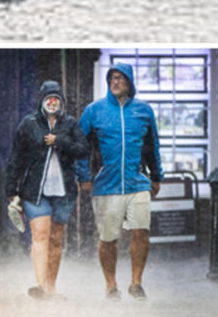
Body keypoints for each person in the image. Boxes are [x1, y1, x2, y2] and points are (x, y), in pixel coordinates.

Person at [77, 64, 163, 301]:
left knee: (141, 231)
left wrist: (156, 176)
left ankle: (136, 283)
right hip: (106, 183)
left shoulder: (144, 111)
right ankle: (111, 285)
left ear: (130, 82)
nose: (115, 82)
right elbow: (80, 147)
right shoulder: (94, 111)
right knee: (108, 238)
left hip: (137, 182)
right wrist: (84, 176)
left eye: (120, 78)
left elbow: (152, 145)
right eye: (112, 78)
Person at [4, 81, 89, 299]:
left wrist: (59, 141)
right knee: (40, 234)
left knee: (55, 239)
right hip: (35, 191)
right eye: (49, 98)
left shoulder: (70, 124)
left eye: (56, 98)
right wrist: (11, 189)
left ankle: (52, 287)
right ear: (41, 100)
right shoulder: (28, 124)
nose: (53, 102)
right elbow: (16, 158)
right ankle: (41, 286)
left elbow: (83, 149)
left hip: (64, 191)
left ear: (61, 101)